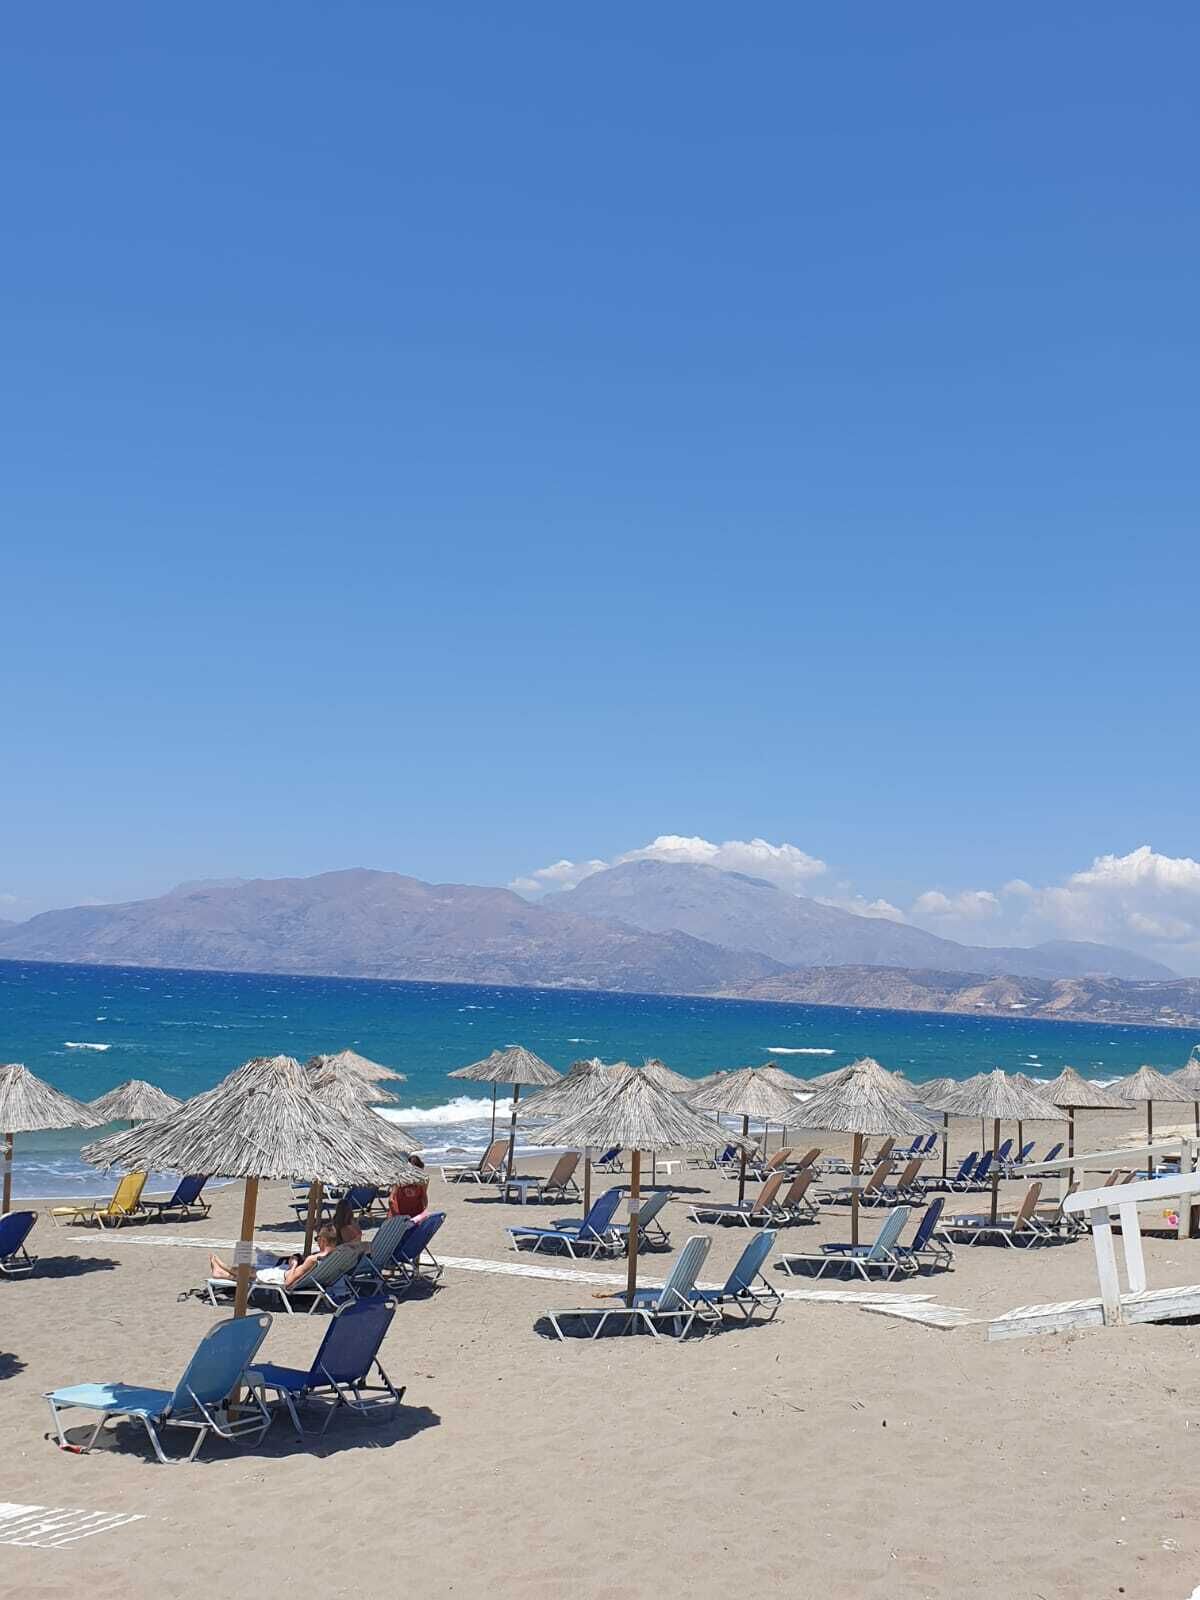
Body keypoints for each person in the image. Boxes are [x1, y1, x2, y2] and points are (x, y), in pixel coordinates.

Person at [209, 1223, 338, 1290]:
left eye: (317, 1238)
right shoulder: (334, 1254)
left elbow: (288, 1282)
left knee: (252, 1271)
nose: (316, 1241)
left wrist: (293, 1264)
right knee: (254, 1271)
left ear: (324, 1241)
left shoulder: (313, 1259)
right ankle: (222, 1274)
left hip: (283, 1277)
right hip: (297, 1277)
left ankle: (223, 1267)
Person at [387, 1155, 429, 1222]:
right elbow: (424, 1196)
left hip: (407, 1214)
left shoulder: (400, 1179)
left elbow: (391, 1200)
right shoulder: (423, 1179)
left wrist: (395, 1216)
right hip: (411, 1214)